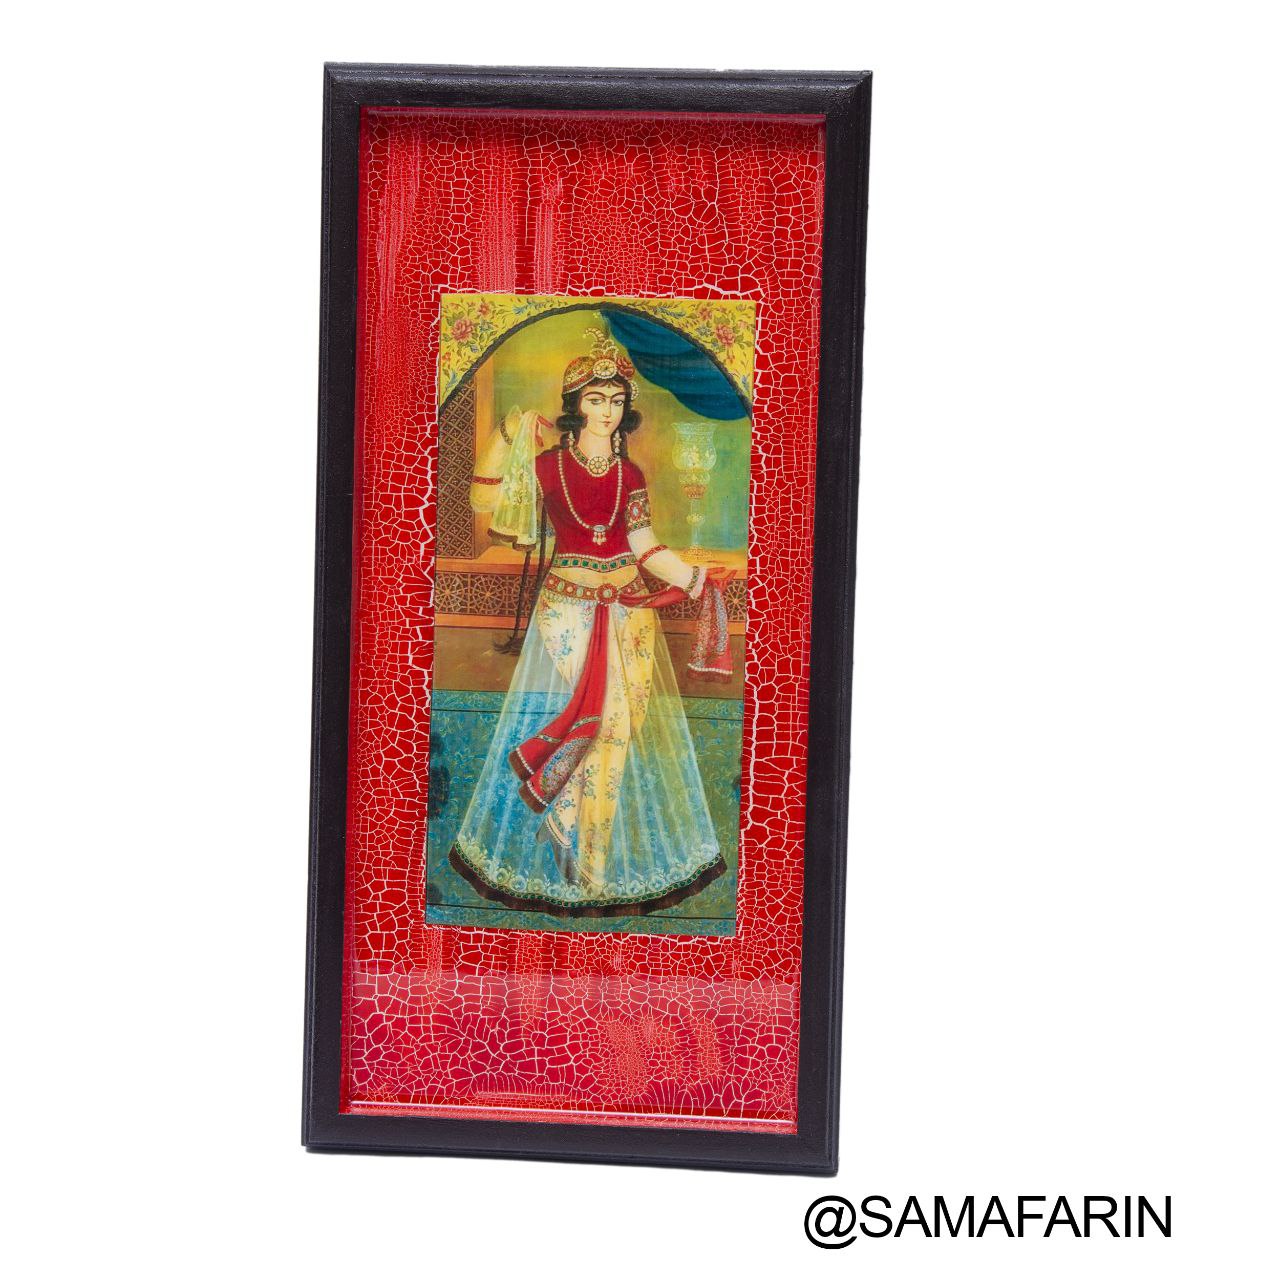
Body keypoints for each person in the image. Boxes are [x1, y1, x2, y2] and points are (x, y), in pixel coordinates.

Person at [448, 331, 730, 918]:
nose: (608, 411)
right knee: (600, 722)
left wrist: (696, 577)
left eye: (617, 401)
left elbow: (645, 548)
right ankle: (586, 858)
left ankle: (570, 827)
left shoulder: (632, 475)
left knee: (621, 727)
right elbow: (482, 503)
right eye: (596, 400)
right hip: (567, 608)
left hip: (630, 609)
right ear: (576, 405)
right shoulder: (544, 465)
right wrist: (506, 436)